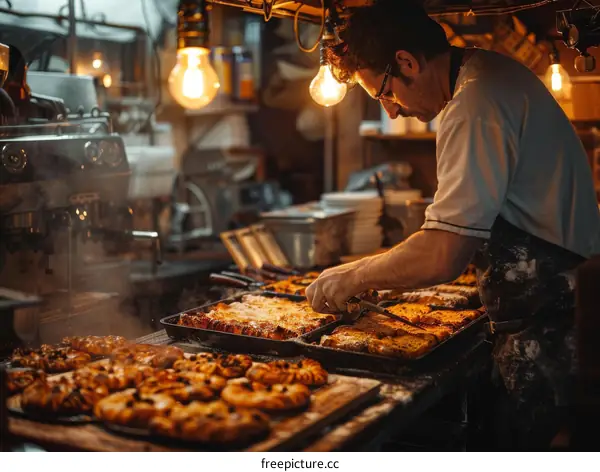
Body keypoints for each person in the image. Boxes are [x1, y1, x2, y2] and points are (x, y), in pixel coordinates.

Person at [305, 0, 600, 450]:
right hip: (556, 313)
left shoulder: (474, 104)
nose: (392, 111)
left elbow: (444, 253)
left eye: (384, 92)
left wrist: (354, 276)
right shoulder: (487, 77)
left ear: (406, 61)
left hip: (554, 330)